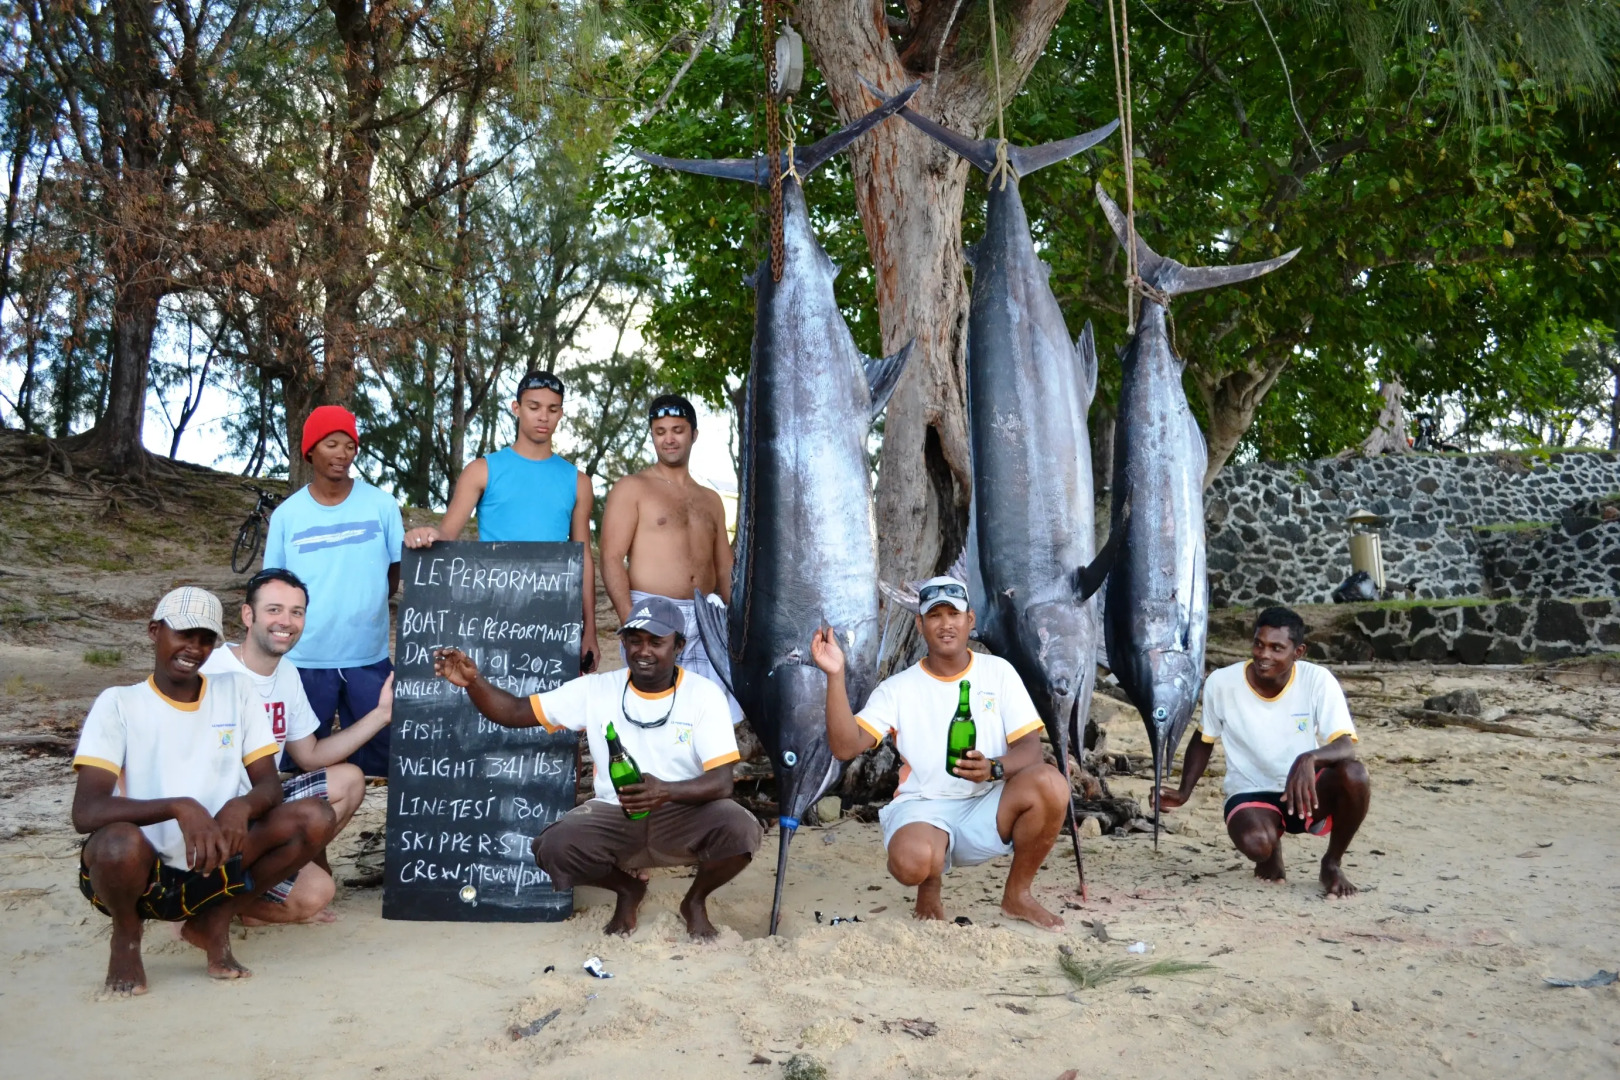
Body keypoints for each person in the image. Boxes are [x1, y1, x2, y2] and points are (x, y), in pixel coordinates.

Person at [431, 595, 760, 940]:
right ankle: (627, 889)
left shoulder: (704, 694)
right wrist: (474, 683)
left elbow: (722, 783)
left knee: (741, 829)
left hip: (682, 813)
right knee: (553, 847)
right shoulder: (597, 689)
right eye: (635, 640)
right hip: (615, 813)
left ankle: (694, 901)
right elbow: (514, 712)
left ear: (679, 645)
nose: (643, 651)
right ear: (624, 643)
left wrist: (665, 791)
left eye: (656, 642)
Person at [71, 587, 336, 995]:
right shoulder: (119, 703)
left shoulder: (236, 690)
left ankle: (214, 921)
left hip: (218, 856)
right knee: (116, 843)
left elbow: (269, 785)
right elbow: (86, 812)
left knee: (316, 816)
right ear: (155, 631)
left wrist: (240, 807)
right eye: (184, 634)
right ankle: (126, 936)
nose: (194, 648)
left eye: (206, 638)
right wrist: (181, 807)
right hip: (144, 867)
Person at [811, 576, 1071, 931]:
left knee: (1052, 784)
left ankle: (1017, 894)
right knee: (911, 863)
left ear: (970, 620)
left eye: (954, 614)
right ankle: (929, 884)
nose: (946, 624)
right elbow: (844, 746)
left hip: (988, 804)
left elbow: (1030, 750)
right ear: (920, 625)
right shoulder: (898, 688)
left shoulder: (999, 672)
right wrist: (835, 674)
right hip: (924, 807)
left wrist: (994, 768)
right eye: (934, 615)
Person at [201, 568, 395, 924]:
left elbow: (311, 756)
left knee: (350, 779)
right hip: (213, 819)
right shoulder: (211, 670)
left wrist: (382, 714)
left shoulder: (287, 674)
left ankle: (257, 888)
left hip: (262, 806)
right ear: (248, 615)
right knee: (316, 894)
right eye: (274, 610)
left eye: (297, 612)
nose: (286, 622)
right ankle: (209, 901)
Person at [1157, 606, 1370, 897]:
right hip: (1250, 790)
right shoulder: (1222, 682)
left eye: (1276, 648)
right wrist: (1184, 792)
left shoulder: (1318, 679)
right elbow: (1205, 738)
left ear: (1298, 652)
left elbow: (1345, 745)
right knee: (1258, 845)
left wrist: (1309, 758)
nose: (1263, 654)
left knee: (1355, 775)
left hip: (1303, 790)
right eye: (1259, 644)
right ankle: (1271, 850)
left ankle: (1331, 863)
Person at [403, 370, 598, 673]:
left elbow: (582, 558)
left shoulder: (578, 481)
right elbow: (445, 536)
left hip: (553, 617)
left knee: (547, 703)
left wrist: (590, 631)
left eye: (552, 409)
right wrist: (422, 535)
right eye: (534, 407)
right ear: (516, 408)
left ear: (561, 413)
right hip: (491, 615)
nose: (543, 416)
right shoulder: (482, 470)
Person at [262, 405, 403, 776]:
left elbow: (394, 570)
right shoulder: (288, 515)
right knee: (296, 764)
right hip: (304, 659)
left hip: (368, 655)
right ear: (310, 450)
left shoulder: (381, 505)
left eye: (350, 446)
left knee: (383, 760)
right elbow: (274, 586)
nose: (342, 454)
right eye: (331, 444)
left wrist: (367, 602)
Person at [600, 394, 740, 722]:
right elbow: (611, 557)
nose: (669, 439)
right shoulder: (632, 487)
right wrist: (633, 624)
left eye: (677, 430)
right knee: (653, 712)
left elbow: (724, 567)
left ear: (694, 434)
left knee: (706, 714)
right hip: (650, 613)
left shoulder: (711, 499)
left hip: (706, 617)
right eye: (660, 431)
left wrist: (737, 625)